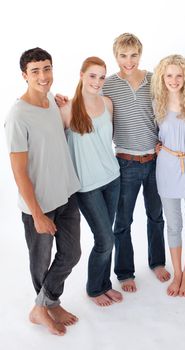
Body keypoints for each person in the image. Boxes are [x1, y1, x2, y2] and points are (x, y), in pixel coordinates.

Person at [4, 48, 81, 336]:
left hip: (66, 194)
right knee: (41, 262)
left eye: (46, 69)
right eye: (35, 71)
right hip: (40, 205)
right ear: (24, 75)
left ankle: (45, 304)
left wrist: (66, 106)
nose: (43, 75)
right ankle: (45, 308)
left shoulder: (51, 99)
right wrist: (36, 213)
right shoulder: (17, 116)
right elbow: (19, 171)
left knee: (71, 253)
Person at [101, 33, 170, 292]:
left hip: (154, 161)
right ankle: (125, 272)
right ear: (115, 56)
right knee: (123, 220)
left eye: (133, 55)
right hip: (125, 162)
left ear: (140, 54)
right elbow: (87, 100)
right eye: (123, 56)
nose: (128, 61)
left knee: (156, 215)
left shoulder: (154, 80)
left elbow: (174, 97)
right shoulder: (108, 85)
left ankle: (157, 262)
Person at [60, 57, 122, 307]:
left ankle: (104, 284)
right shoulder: (66, 110)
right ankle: (94, 288)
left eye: (102, 77)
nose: (97, 81)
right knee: (105, 239)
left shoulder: (107, 103)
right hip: (87, 186)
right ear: (82, 75)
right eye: (93, 76)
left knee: (108, 238)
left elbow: (109, 139)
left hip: (112, 178)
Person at [151, 54, 185, 297]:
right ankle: (177, 272)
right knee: (173, 225)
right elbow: (148, 131)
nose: (174, 80)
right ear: (163, 77)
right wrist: (156, 145)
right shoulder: (156, 102)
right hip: (168, 166)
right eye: (169, 75)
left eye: (179, 75)